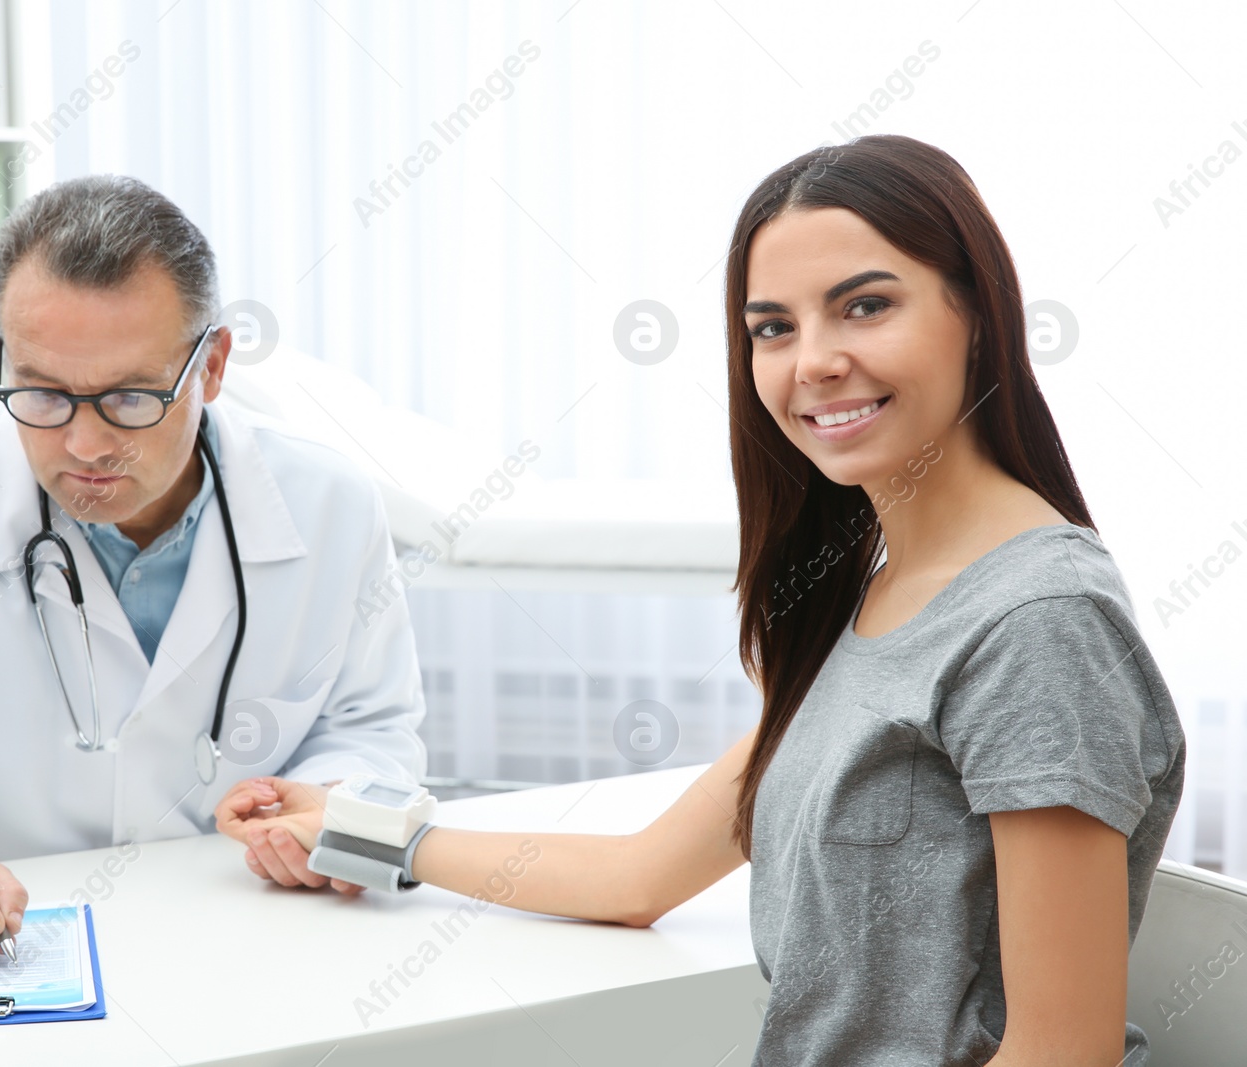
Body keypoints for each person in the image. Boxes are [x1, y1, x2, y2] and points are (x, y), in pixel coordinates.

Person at [213, 136, 1187, 1066]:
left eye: (864, 306)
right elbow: (637, 874)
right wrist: (363, 824)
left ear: (978, 314)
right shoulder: (876, 594)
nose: (810, 361)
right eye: (773, 327)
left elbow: (1062, 1049)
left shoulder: (1034, 622)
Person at [0, 175, 427, 963]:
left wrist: (332, 808)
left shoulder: (330, 502)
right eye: (44, 392)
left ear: (213, 365)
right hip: (23, 951)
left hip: (261, 930)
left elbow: (369, 728)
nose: (86, 445)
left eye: (129, 398)